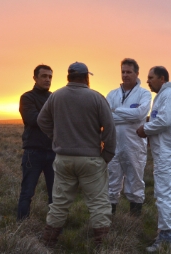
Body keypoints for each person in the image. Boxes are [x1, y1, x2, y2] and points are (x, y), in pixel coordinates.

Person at [37, 62, 116, 248]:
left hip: (63, 159)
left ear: (68, 77)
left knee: (59, 205)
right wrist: (107, 154)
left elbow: (42, 120)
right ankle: (102, 247)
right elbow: (110, 128)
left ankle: (47, 246)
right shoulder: (96, 98)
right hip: (91, 159)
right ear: (86, 77)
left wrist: (55, 137)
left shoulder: (56, 96)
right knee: (98, 205)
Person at [136, 66, 171, 252]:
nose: (148, 81)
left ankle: (166, 237)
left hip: (170, 153)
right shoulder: (163, 96)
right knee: (167, 192)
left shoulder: (169, 96)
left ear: (162, 79)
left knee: (166, 194)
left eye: (151, 77)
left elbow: (164, 121)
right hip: (166, 152)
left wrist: (145, 129)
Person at [106, 58, 152, 216]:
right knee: (112, 181)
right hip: (113, 144)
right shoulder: (112, 94)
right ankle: (109, 220)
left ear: (137, 73)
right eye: (123, 72)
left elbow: (140, 114)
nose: (125, 75)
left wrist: (115, 111)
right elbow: (105, 117)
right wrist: (129, 116)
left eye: (129, 72)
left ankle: (134, 221)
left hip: (134, 145)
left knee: (135, 181)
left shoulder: (144, 94)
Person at [17, 64, 56, 221]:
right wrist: (54, 119)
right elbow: (33, 119)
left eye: (50, 76)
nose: (47, 79)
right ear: (35, 78)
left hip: (53, 152)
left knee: (55, 194)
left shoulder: (55, 97)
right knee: (27, 191)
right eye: (44, 76)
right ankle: (21, 225)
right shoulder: (27, 97)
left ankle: (54, 226)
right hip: (33, 152)